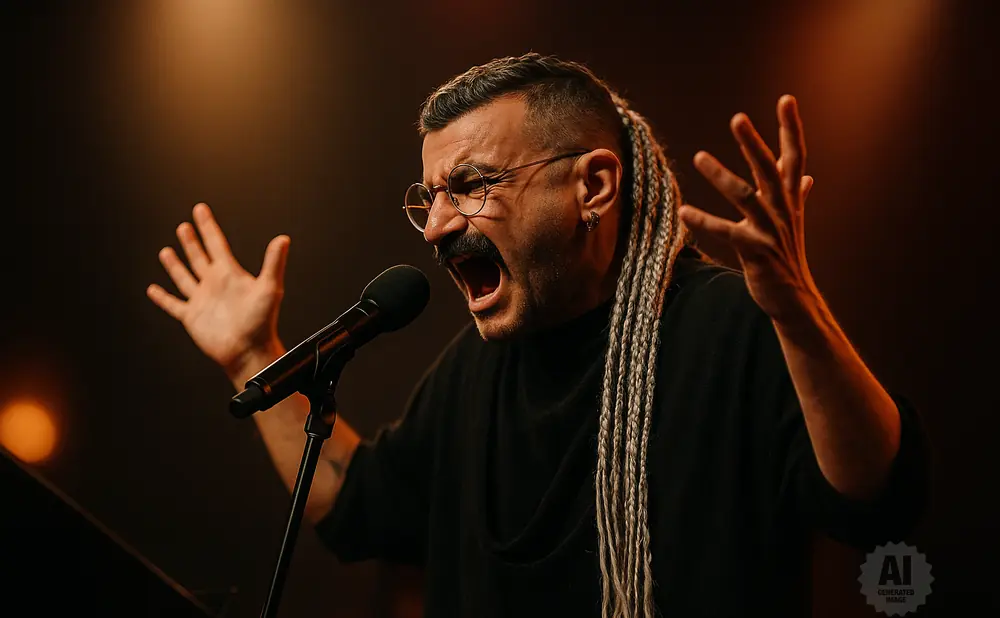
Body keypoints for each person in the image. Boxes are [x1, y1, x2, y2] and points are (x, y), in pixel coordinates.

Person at [147, 54, 929, 618]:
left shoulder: (730, 325)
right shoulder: (471, 373)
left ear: (593, 186)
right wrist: (253, 355)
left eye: (471, 185)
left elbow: (876, 498)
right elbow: (358, 509)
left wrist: (800, 315)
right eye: (430, 195)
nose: (437, 226)